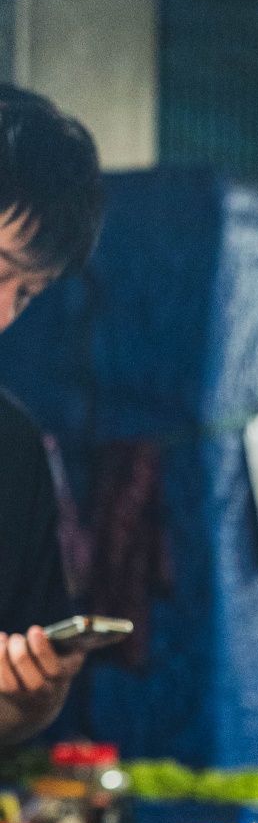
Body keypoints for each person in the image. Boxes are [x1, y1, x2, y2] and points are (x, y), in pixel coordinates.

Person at [0, 84, 106, 743]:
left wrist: (31, 699)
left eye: (27, 292)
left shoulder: (11, 449)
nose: (5, 313)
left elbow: (14, 715)